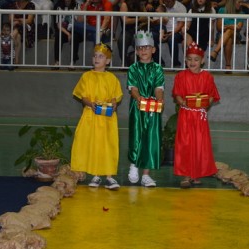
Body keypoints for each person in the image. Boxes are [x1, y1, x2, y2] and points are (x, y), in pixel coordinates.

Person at [71, 43, 123, 190]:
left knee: (107, 145)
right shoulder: (86, 76)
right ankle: (95, 175)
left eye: (101, 56)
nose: (96, 59)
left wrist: (113, 104)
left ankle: (109, 176)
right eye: (95, 56)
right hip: (91, 116)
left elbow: (115, 96)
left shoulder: (112, 78)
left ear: (107, 61)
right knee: (92, 144)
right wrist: (90, 103)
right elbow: (82, 96)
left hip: (106, 119)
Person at [172, 42, 220, 188]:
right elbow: (177, 94)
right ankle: (186, 175)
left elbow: (211, 95)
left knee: (200, 144)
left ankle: (196, 173)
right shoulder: (181, 76)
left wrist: (207, 104)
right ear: (185, 60)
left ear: (202, 61)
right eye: (189, 59)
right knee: (185, 144)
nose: (192, 62)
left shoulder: (207, 77)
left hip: (200, 117)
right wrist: (182, 102)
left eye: (196, 59)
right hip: (186, 116)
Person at [127, 30, 165, 187]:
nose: (143, 51)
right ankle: (134, 165)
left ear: (153, 50)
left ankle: (146, 174)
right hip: (137, 108)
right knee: (136, 136)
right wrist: (138, 98)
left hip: (152, 108)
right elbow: (133, 88)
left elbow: (158, 87)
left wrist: (159, 98)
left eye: (147, 47)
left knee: (151, 138)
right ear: (136, 51)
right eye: (140, 48)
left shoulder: (157, 69)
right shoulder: (133, 68)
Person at [210, 0, 244, 72]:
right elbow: (219, 27)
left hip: (236, 36)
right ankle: (228, 65)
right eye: (239, 2)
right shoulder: (222, 10)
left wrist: (226, 26)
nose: (241, 4)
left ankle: (215, 52)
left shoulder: (241, 13)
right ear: (232, 2)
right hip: (221, 34)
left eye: (241, 2)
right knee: (228, 39)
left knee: (229, 31)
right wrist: (231, 26)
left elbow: (238, 27)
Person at [152, 0, 186, 67]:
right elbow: (155, 21)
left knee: (172, 38)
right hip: (162, 31)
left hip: (176, 32)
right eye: (165, 1)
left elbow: (181, 24)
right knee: (151, 36)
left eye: (169, 1)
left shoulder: (181, 7)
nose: (167, 3)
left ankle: (175, 64)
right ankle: (159, 63)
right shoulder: (162, 7)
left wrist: (171, 33)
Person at [117, 0, 147, 66]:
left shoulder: (141, 4)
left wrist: (144, 21)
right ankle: (124, 63)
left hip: (140, 29)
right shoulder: (124, 5)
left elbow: (145, 17)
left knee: (141, 40)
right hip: (127, 30)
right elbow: (126, 21)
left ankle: (139, 63)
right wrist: (139, 19)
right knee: (121, 41)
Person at [52, 0, 80, 69]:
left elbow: (80, 22)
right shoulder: (58, 7)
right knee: (58, 36)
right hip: (64, 30)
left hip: (75, 29)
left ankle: (72, 62)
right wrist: (68, 34)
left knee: (75, 37)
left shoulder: (77, 5)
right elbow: (58, 25)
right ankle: (57, 62)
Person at [9, 0, 35, 64]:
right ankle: (16, 61)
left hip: (27, 28)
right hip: (15, 26)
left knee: (18, 28)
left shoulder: (31, 5)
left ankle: (8, 40)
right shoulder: (13, 5)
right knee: (18, 36)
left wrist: (18, 21)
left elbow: (29, 20)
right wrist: (20, 20)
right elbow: (10, 20)